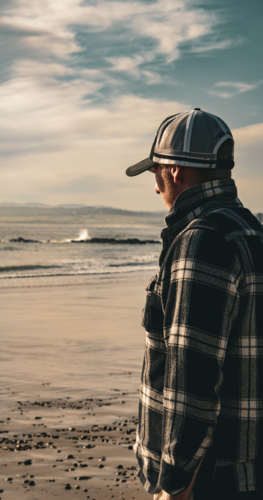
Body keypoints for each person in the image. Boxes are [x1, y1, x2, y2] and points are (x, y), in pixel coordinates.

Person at [125, 109, 263, 500]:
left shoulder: (201, 242)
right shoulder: (251, 231)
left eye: (155, 173)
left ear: (174, 171)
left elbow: (193, 381)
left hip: (212, 485)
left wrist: (175, 483)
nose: (155, 188)